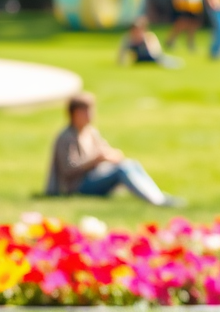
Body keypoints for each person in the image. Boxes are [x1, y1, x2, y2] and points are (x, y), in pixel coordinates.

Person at [45, 93, 181, 206]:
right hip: (76, 186)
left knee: (130, 163)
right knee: (121, 170)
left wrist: (112, 156)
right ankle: (155, 201)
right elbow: (68, 169)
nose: (90, 115)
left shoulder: (90, 132)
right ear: (74, 114)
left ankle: (158, 196)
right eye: (85, 111)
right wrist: (95, 160)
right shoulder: (66, 137)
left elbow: (105, 150)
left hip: (94, 177)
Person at [117, 16, 182, 68]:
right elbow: (122, 52)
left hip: (153, 58)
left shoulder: (148, 37)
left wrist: (145, 42)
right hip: (139, 60)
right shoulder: (128, 39)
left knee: (167, 61)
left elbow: (156, 53)